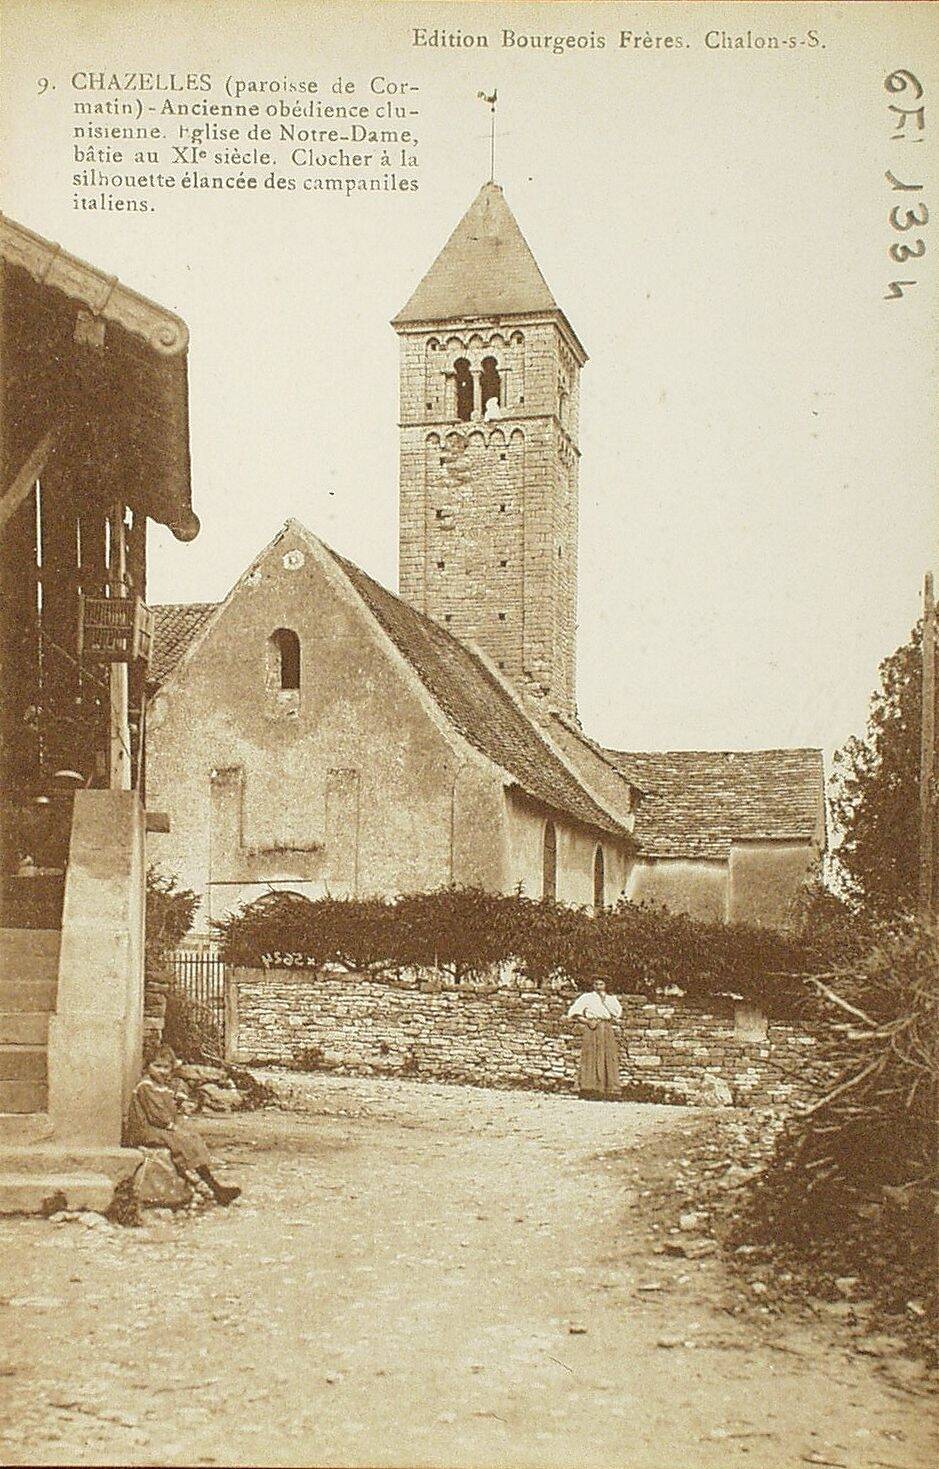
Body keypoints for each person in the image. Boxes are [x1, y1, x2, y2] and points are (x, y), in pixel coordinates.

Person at [127, 1046, 241, 1205]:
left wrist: (176, 1102)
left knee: (191, 1137)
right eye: (157, 1066)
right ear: (148, 1066)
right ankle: (210, 1186)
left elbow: (166, 1110)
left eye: (166, 1067)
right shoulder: (146, 1086)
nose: (162, 1071)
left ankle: (212, 1185)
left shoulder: (160, 1085)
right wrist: (172, 1126)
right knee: (182, 1140)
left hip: (157, 1127)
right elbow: (156, 1116)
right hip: (146, 1130)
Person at [567, 974, 623, 1100]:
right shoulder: (586, 997)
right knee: (590, 1056)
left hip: (606, 1029)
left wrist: (604, 1001)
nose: (598, 987)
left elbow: (617, 1013)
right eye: (596, 984)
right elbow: (574, 1013)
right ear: (593, 985)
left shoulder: (611, 999)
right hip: (592, 1028)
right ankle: (589, 1088)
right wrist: (587, 1022)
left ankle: (609, 1090)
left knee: (608, 1056)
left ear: (606, 985)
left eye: (601, 984)